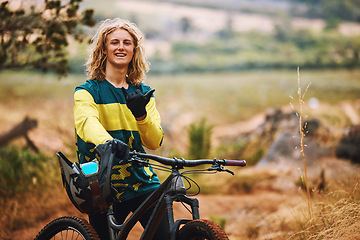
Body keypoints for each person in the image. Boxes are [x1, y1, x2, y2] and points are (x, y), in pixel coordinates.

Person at [73, 18, 167, 239]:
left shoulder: (143, 94)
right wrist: (109, 143)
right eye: (114, 42)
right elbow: (86, 123)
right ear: (104, 50)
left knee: (166, 235)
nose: (121, 47)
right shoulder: (87, 91)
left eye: (127, 42)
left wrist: (141, 115)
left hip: (141, 180)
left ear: (134, 50)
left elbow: (155, 141)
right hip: (102, 185)